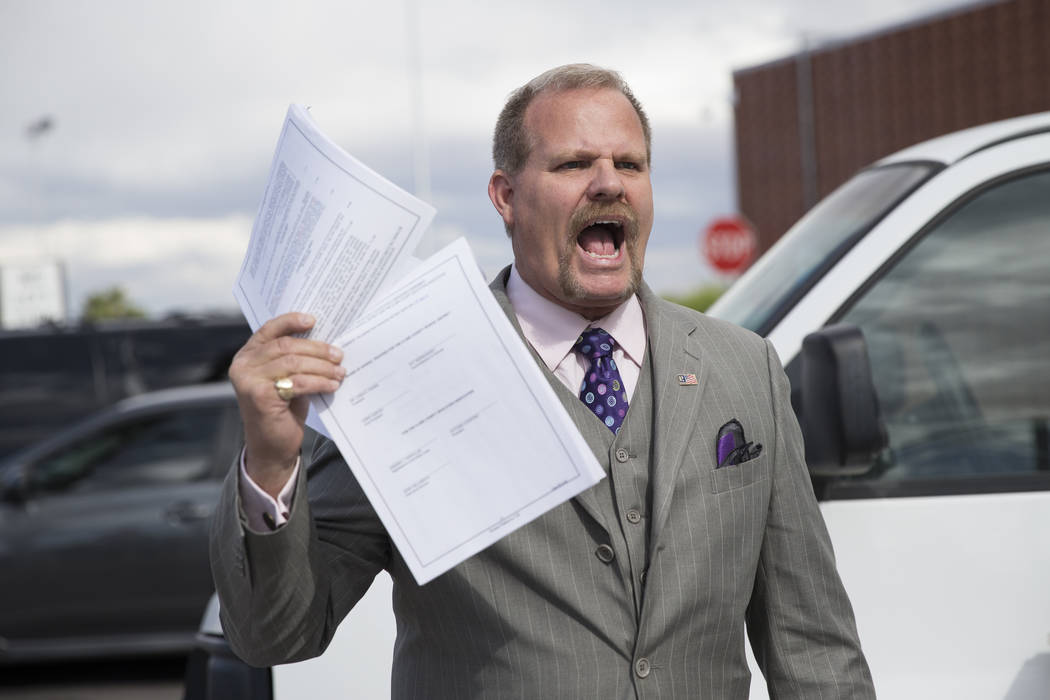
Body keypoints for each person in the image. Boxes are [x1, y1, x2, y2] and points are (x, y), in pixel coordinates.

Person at [211, 63, 876, 699]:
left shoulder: (745, 367)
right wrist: (270, 462)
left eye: (630, 164)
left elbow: (813, 646)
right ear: (506, 197)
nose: (609, 184)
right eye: (574, 164)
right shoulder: (399, 372)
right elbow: (278, 633)